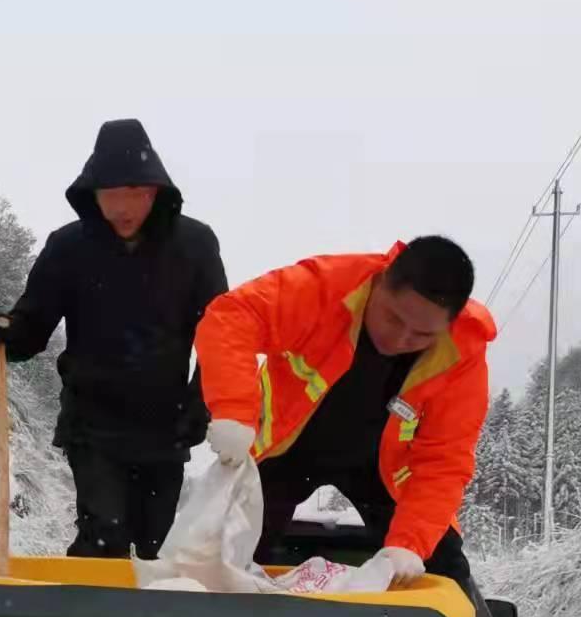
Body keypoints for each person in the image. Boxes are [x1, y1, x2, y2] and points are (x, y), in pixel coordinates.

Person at [0, 120, 227, 559]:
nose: (121, 209)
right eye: (109, 197)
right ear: (92, 195)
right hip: (92, 422)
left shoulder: (195, 246)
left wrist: (201, 399)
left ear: (153, 191)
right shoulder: (69, 247)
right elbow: (32, 327)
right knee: (104, 536)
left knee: (160, 548)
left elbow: (220, 334)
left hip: (165, 425)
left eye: (133, 195)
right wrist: (6, 330)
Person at [193, 235, 494, 589]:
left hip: (383, 470)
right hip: (288, 451)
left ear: (449, 325)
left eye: (422, 335)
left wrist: (409, 545)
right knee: (221, 554)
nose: (400, 341)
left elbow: (444, 460)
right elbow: (232, 317)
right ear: (380, 283)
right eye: (394, 319)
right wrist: (233, 411)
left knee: (441, 570)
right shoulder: (326, 288)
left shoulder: (463, 353)